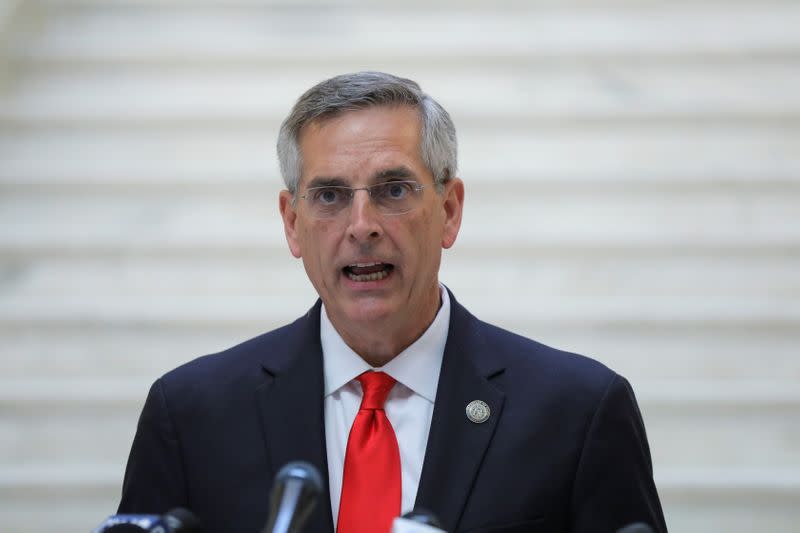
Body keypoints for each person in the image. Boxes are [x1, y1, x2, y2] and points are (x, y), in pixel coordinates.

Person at [118, 71, 667, 533]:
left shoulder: (577, 412)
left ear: (449, 210)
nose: (362, 226)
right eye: (329, 196)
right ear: (291, 223)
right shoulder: (191, 415)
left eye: (394, 190)